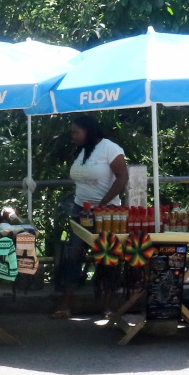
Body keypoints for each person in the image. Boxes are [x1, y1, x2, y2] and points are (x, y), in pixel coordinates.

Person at [52, 114, 127, 318]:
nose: (72, 136)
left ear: (88, 130)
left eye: (76, 131)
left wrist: (102, 205)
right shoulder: (83, 151)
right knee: (73, 255)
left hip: (107, 214)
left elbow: (123, 178)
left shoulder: (109, 148)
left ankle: (108, 306)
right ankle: (66, 305)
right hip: (80, 210)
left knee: (107, 258)